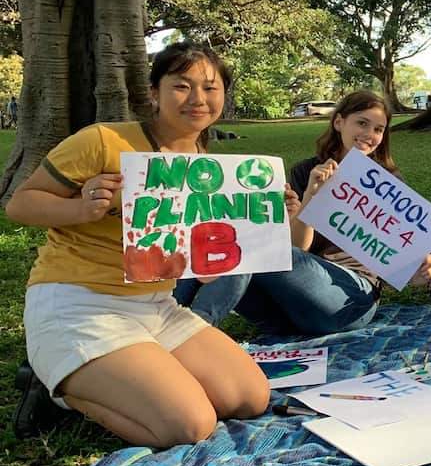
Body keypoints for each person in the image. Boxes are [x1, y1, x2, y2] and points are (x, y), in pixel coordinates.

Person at [7, 41, 269, 445]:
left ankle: (132, 374)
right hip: (80, 305)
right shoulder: (103, 141)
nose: (198, 98)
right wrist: (82, 208)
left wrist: (266, 215)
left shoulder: (204, 162)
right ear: (154, 93)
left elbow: (200, 249)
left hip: (156, 307)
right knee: (189, 426)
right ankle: (56, 390)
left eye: (211, 87)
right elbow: (20, 205)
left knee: (249, 397)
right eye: (182, 86)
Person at [175, 91, 431, 334]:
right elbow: (297, 247)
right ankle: (163, 317)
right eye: (362, 123)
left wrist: (417, 271)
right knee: (218, 239)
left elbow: (400, 257)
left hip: (349, 300)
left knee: (250, 246)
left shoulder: (387, 182)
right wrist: (311, 196)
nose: (370, 134)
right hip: (286, 308)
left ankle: (190, 333)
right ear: (339, 123)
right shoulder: (306, 171)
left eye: (378, 129)